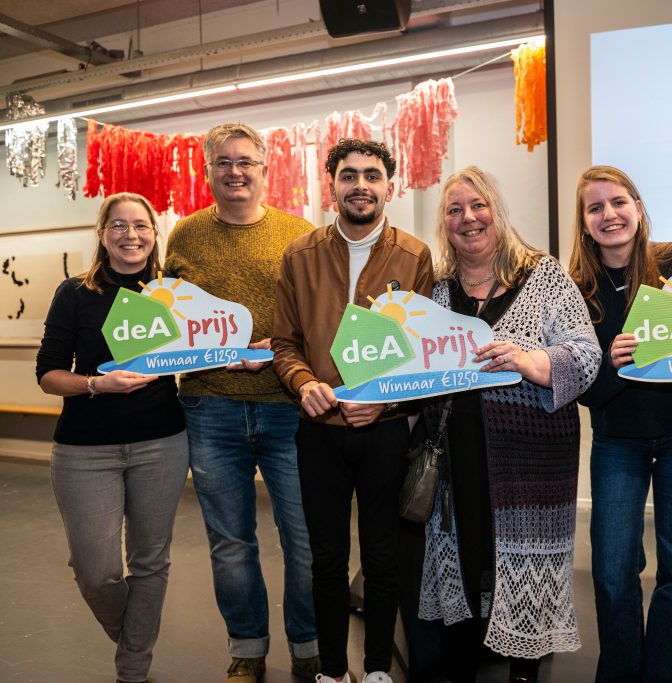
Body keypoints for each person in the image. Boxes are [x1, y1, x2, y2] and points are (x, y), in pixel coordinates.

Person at [417, 166, 601, 683]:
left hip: (529, 459)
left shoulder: (543, 276)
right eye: (455, 210)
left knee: (526, 563)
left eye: (478, 206)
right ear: (445, 224)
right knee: (462, 556)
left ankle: (524, 670)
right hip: (456, 456)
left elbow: (586, 355)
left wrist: (527, 361)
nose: (468, 218)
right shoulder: (436, 288)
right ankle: (460, 667)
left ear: (496, 212)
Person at [271, 138, 434, 683]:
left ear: (390, 186)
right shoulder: (299, 256)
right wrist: (304, 384)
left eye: (371, 175)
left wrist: (387, 400)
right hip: (318, 429)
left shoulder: (415, 257)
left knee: (383, 557)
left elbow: (425, 352)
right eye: (348, 175)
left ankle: (379, 668)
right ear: (332, 185)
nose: (360, 185)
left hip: (385, 431)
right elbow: (284, 343)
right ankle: (334, 671)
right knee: (325, 559)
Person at [163, 123, 319, 683]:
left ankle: (309, 646)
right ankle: (248, 648)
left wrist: (274, 348)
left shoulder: (299, 233)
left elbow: (318, 318)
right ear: (207, 171)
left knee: (305, 539)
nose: (235, 171)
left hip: (287, 406)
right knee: (230, 543)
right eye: (223, 162)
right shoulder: (184, 235)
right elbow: (170, 316)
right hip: (209, 408)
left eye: (245, 161)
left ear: (265, 169)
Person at [568, 166, 672, 683]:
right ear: (583, 221)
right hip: (617, 443)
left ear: (637, 206)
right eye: (595, 207)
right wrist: (611, 364)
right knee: (613, 574)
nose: (609, 214)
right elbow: (584, 391)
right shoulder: (577, 289)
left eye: (618, 202)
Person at [37, 192, 188, 683]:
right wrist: (97, 385)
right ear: (102, 234)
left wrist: (245, 350)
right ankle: (134, 634)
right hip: (85, 449)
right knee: (96, 572)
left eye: (140, 225)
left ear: (154, 233)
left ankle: (133, 667)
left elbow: (206, 347)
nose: (131, 235)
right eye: (119, 225)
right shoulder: (75, 293)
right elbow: (47, 374)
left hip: (162, 444)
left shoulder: (173, 292)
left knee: (150, 561)